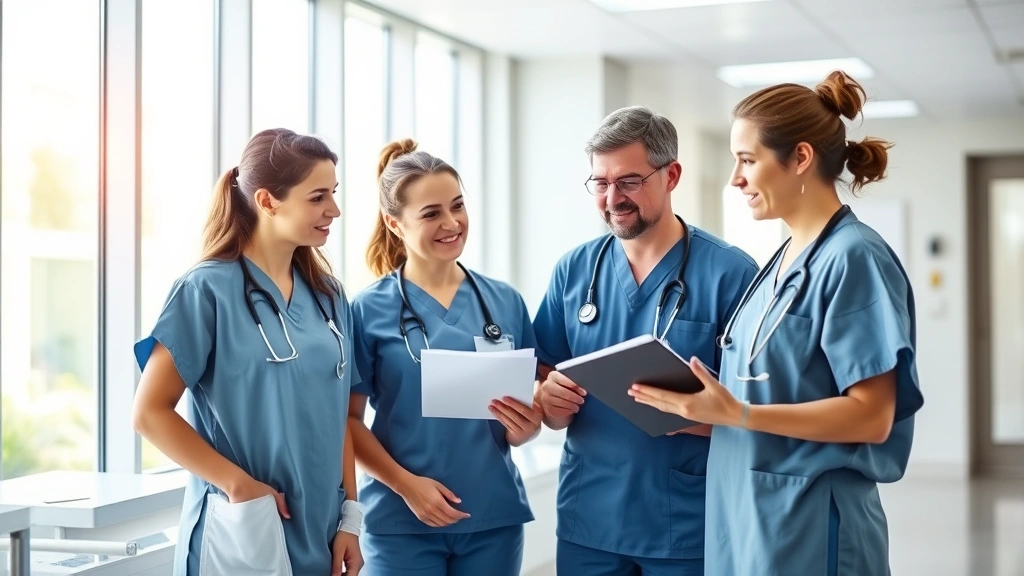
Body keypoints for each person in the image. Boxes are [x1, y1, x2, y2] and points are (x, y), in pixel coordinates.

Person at [629, 71, 926, 576]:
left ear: (801, 158)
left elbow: (871, 417)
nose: (735, 178)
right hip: (746, 516)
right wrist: (702, 409)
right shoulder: (783, 258)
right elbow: (772, 390)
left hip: (810, 522)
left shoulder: (854, 258)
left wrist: (741, 414)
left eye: (747, 160)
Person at [533, 106, 759, 576]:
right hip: (588, 518)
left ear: (671, 175)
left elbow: (762, 408)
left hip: (685, 521)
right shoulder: (574, 271)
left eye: (629, 181)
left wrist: (702, 416)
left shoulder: (731, 274)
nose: (612, 198)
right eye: (600, 183)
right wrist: (547, 400)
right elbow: (544, 375)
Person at [132, 128, 363, 576]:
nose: (333, 210)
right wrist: (239, 486)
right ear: (267, 200)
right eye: (317, 197)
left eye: (333, 194)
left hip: (322, 532)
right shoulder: (205, 290)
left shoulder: (330, 296)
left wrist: (351, 517)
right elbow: (149, 413)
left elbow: (340, 419)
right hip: (243, 529)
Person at [347, 139, 542, 576]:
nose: (452, 222)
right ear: (394, 224)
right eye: (431, 213)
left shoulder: (505, 302)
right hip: (402, 519)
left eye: (457, 206)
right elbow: (348, 421)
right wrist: (406, 487)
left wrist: (527, 428)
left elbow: (523, 408)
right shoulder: (367, 310)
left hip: (491, 515)